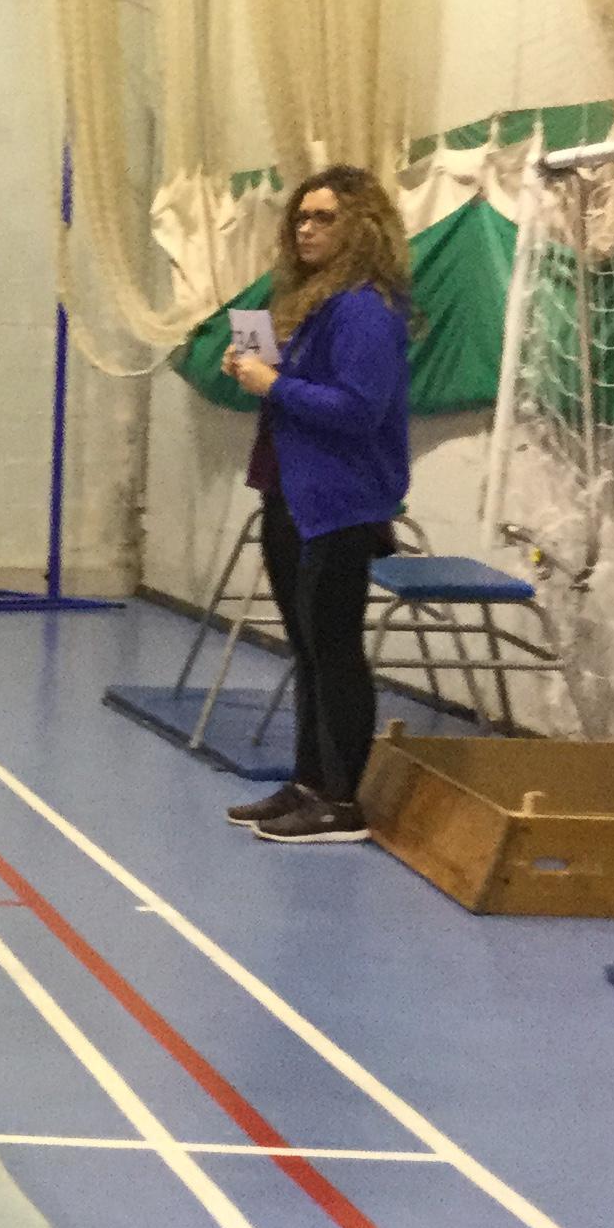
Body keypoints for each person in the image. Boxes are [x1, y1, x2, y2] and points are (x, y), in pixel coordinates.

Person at [221, 166, 415, 847]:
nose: (305, 229)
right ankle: (309, 782)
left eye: (323, 217)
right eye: (301, 217)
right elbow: (300, 388)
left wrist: (272, 383)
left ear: (362, 226)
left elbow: (359, 409)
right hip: (291, 491)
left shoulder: (365, 309)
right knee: (305, 648)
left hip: (339, 501)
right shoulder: (312, 302)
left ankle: (341, 800)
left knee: (334, 650)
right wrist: (256, 370)